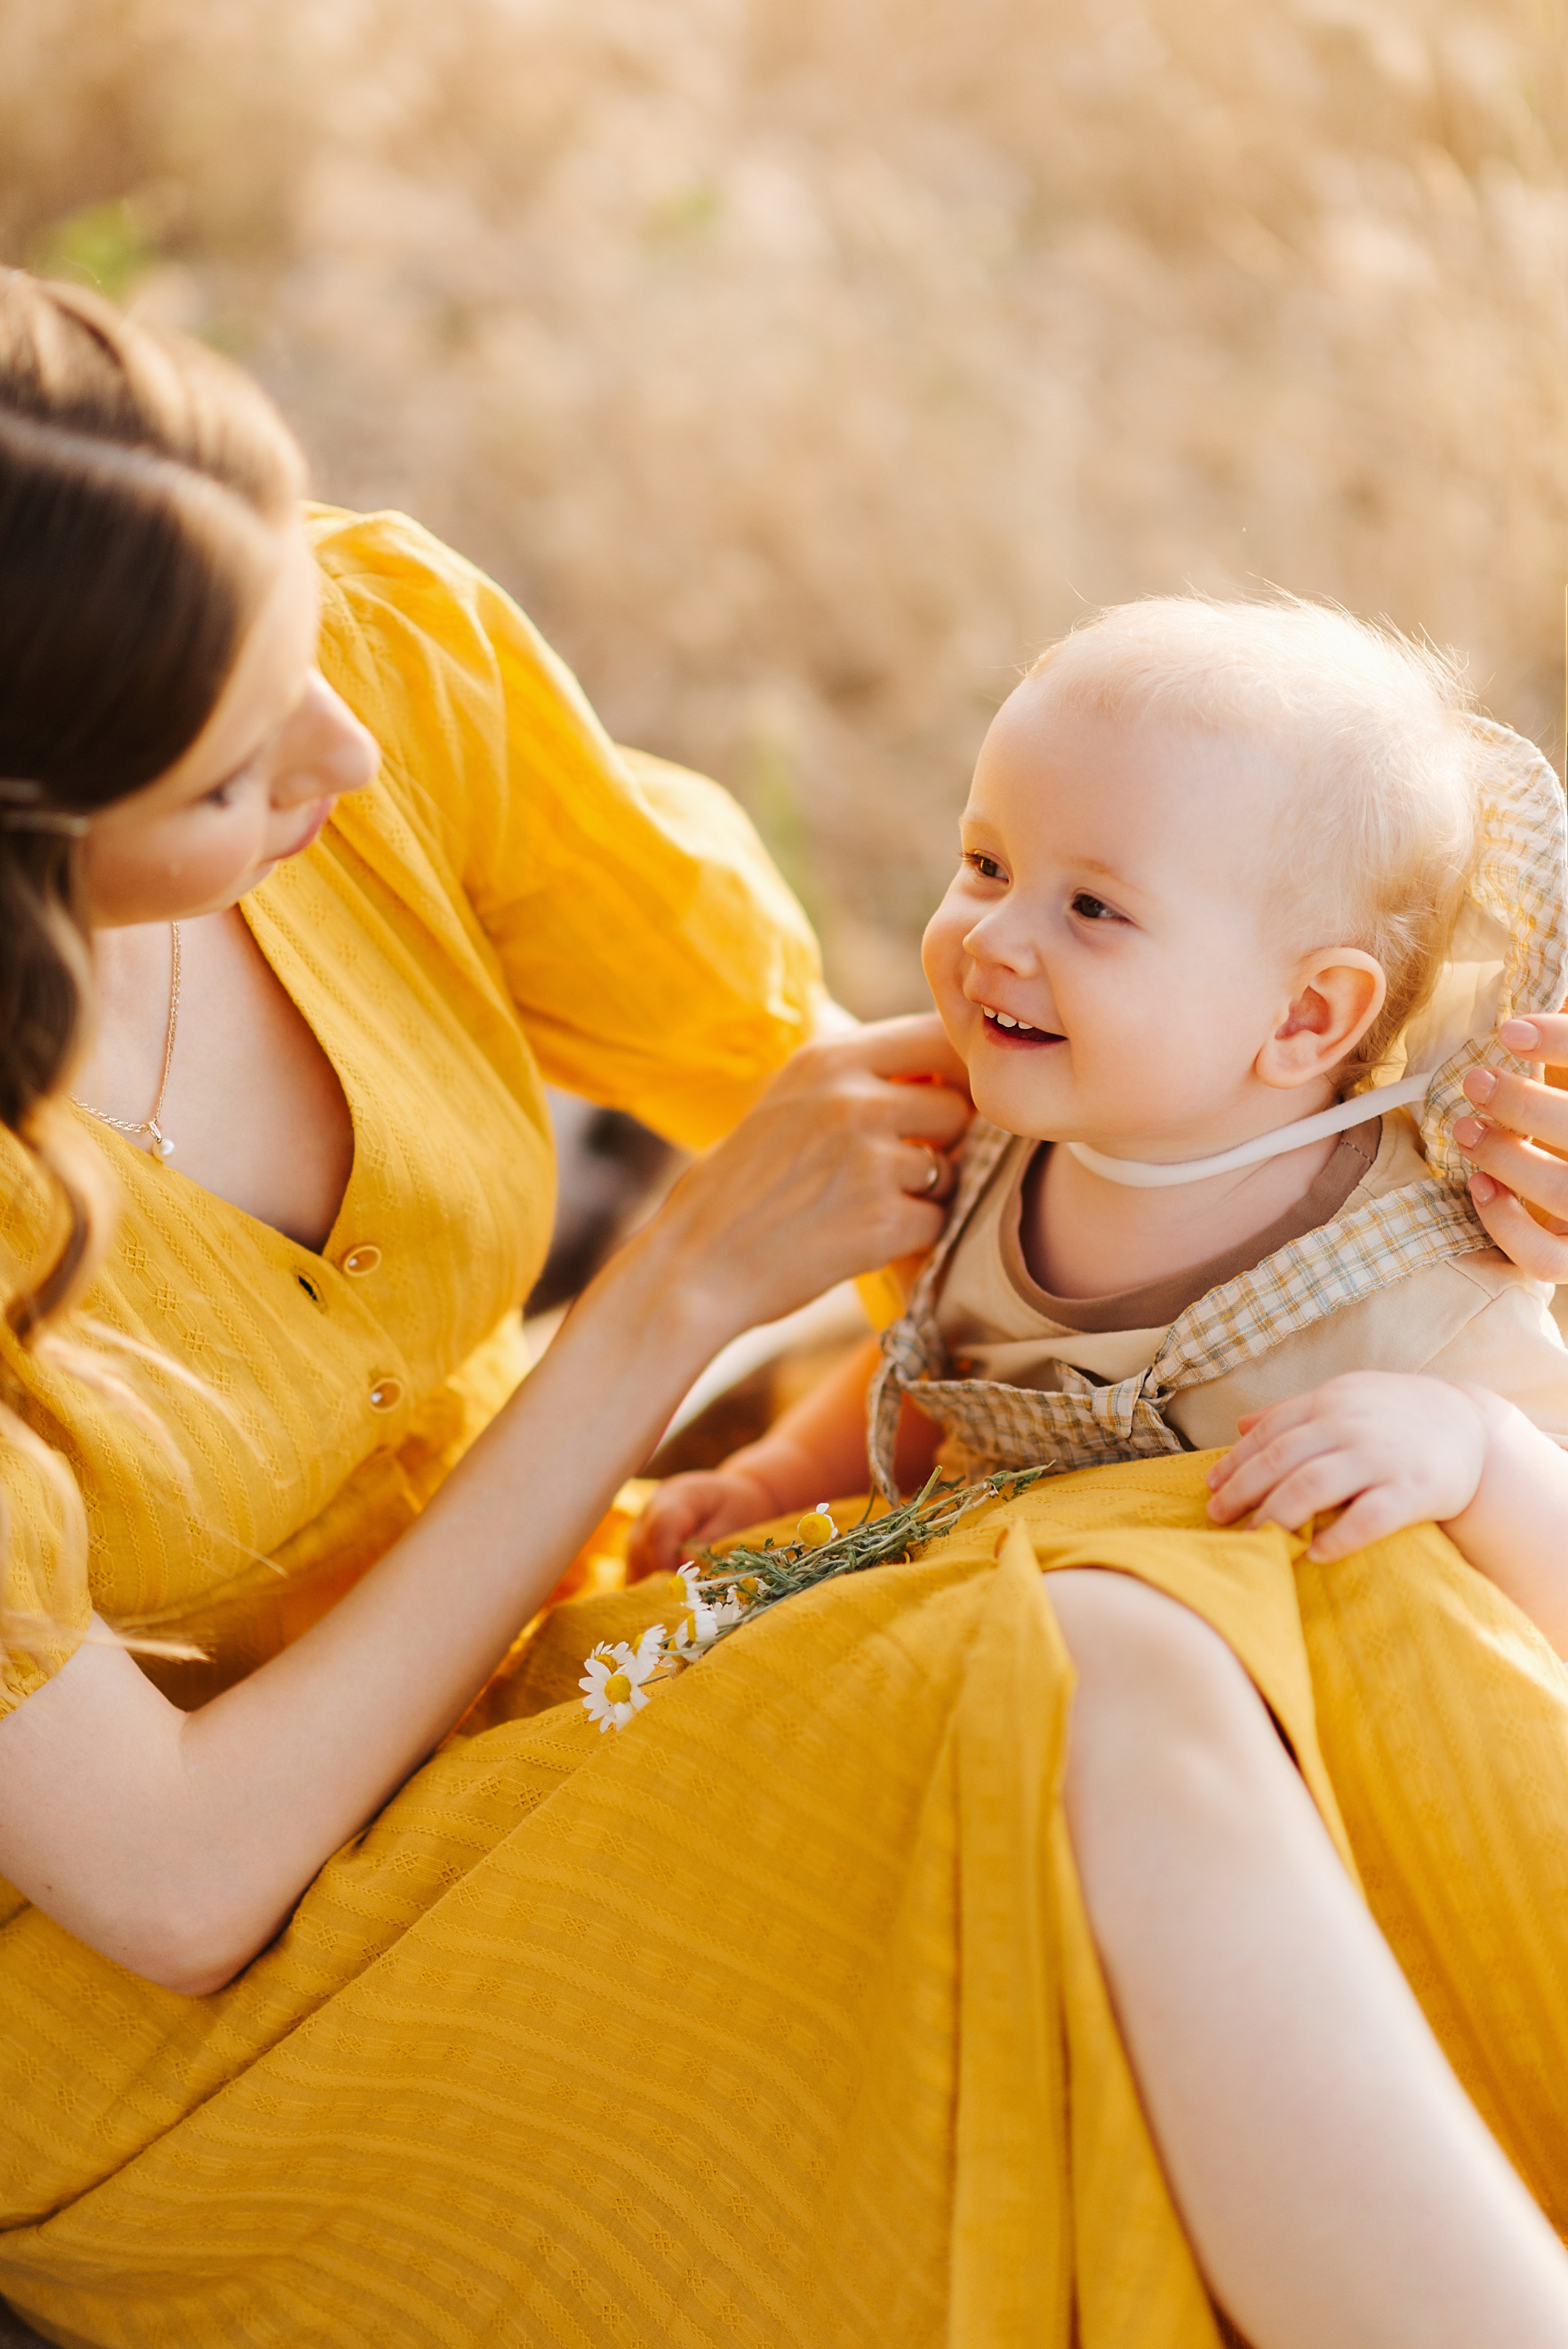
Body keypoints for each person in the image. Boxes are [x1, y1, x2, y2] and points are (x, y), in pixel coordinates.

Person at [3, 274, 1568, 2349]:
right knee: (1083, 1657)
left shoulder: (378, 658)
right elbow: (180, 1885)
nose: (343, 740)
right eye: (228, 764)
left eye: (299, 629)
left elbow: (924, 1118)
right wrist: (657, 1306)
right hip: (185, 2011)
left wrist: (1390, 1182)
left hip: (570, 1672)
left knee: (1311, 1556)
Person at [635, 595, 1568, 1569]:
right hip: (970, 1628)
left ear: (1305, 1017)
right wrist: (776, 1481)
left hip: (1245, 1691)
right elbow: (940, 1363)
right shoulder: (986, 1148)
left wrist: (1476, 1446)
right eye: (987, 864)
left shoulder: (1414, 1290)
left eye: (1091, 907)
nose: (994, 937)